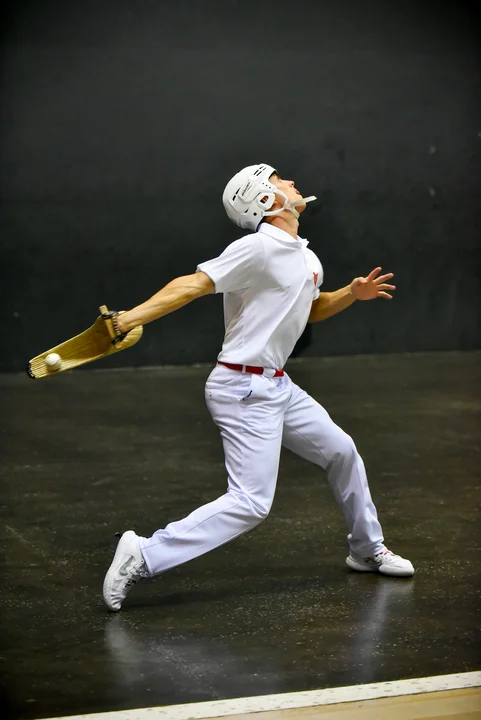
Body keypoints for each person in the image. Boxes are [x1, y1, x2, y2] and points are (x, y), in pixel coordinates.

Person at [102, 163, 414, 612]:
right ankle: (144, 553)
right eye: (278, 180)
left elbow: (310, 309)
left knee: (341, 451)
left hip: (277, 385)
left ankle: (367, 550)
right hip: (242, 389)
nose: (291, 182)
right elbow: (192, 285)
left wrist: (351, 293)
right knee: (250, 503)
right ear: (265, 200)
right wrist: (128, 319)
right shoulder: (256, 248)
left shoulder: (306, 256)